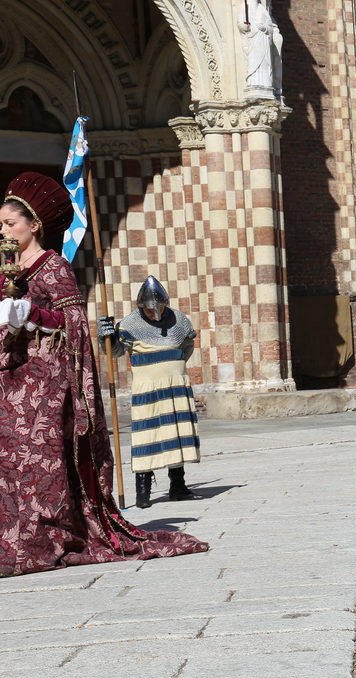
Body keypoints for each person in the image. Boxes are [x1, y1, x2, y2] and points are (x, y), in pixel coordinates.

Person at [0, 172, 207, 577]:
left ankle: (51, 533)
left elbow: (74, 322)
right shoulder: (5, 269)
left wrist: (32, 315)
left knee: (40, 461)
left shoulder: (53, 265)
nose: (3, 231)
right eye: (0, 225)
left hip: (44, 385)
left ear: (34, 225)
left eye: (9, 224)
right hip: (9, 379)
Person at [98, 277, 203, 508]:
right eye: (149, 309)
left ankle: (178, 487)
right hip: (147, 388)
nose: (155, 313)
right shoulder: (129, 324)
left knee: (177, 432)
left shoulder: (179, 320)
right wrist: (105, 336)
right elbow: (114, 352)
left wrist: (173, 367)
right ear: (141, 307)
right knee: (147, 435)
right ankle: (143, 492)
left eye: (160, 308)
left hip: (175, 385)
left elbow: (187, 347)